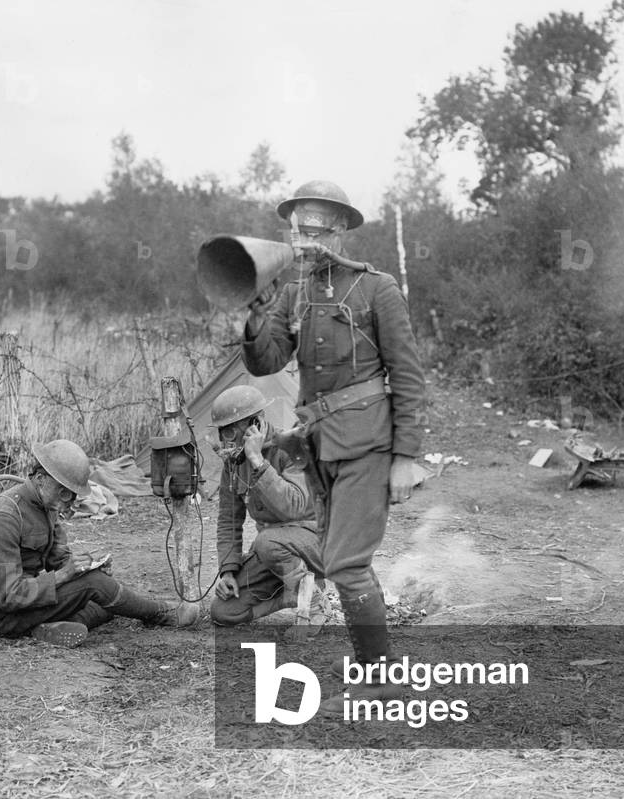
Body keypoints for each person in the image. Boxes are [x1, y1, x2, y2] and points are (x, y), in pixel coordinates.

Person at [241, 180, 425, 714]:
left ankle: (381, 679)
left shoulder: (376, 289)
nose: (304, 236)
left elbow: (408, 378)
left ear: (341, 231)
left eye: (316, 226)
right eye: (297, 226)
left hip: (369, 444)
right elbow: (266, 360)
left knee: (345, 563)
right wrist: (255, 313)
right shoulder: (292, 292)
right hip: (319, 450)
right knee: (337, 559)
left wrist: (406, 459)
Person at [0, 438, 199, 648]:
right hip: (0, 615)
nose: (69, 502)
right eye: (64, 492)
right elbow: (9, 596)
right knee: (99, 589)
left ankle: (48, 628)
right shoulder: (3, 517)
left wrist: (85, 567)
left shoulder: (45, 505)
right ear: (40, 479)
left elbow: (58, 557)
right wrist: (65, 576)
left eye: (73, 495)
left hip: (27, 600)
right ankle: (162, 613)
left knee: (108, 597)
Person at [208, 385, 328, 639]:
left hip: (318, 545)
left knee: (267, 541)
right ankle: (296, 594)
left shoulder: (294, 448)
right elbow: (229, 520)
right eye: (223, 432)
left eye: (232, 430)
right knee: (224, 612)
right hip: (276, 552)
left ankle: (315, 605)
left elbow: (293, 506)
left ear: (256, 423)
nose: (227, 440)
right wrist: (228, 570)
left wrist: (258, 461)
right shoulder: (235, 463)